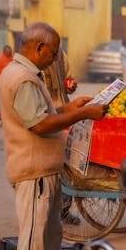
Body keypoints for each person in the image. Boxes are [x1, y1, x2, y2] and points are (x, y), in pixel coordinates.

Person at [0, 22, 108, 250]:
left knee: (48, 241)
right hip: (34, 174)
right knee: (34, 247)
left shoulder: (24, 74)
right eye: (53, 52)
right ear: (39, 47)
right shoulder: (22, 78)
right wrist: (83, 113)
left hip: (44, 172)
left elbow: (42, 115)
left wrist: (71, 109)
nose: (56, 58)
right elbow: (39, 125)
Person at [41, 47, 79, 225]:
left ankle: (63, 212)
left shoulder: (62, 56)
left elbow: (67, 79)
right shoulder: (38, 61)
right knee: (53, 168)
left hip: (64, 112)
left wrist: (70, 85)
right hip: (49, 116)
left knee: (68, 166)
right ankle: (50, 212)